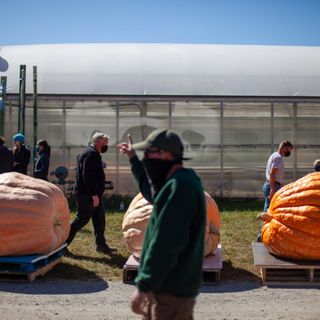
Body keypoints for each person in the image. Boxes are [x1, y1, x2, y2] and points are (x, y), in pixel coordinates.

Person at [118, 129, 206, 319]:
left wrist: (143, 286)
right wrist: (133, 158)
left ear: (165, 154)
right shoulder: (175, 183)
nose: (146, 159)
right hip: (166, 288)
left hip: (171, 292)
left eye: (148, 154)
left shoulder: (180, 187)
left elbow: (167, 242)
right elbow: (152, 191)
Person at [66, 132, 116, 255]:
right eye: (105, 142)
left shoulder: (91, 153)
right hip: (86, 194)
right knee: (81, 219)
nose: (106, 145)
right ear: (97, 142)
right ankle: (62, 245)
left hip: (92, 194)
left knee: (99, 220)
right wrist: (93, 194)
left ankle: (101, 246)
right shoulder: (91, 154)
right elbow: (87, 176)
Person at [262, 141, 293, 212]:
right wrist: (272, 189)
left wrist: (281, 185)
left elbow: (276, 174)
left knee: (271, 207)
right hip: (273, 185)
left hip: (272, 184)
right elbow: (272, 174)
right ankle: (266, 223)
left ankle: (267, 222)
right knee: (270, 208)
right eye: (289, 150)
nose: (289, 152)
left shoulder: (274, 155)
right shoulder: (278, 158)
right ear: (285, 148)